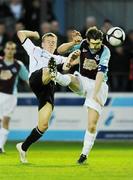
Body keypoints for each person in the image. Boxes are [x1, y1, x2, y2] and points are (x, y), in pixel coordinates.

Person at [50, 26, 111, 164]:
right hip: (82, 79)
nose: (95, 46)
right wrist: (72, 43)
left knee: (92, 125)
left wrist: (94, 93)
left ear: (101, 41)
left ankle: (84, 155)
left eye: (98, 43)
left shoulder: (105, 51)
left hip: (99, 85)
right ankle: (56, 75)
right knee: (71, 78)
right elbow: (59, 50)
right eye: (92, 43)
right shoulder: (82, 43)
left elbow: (101, 73)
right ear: (87, 40)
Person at [16, 30, 77, 163]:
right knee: (48, 69)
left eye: (53, 43)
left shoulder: (59, 58)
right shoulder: (35, 50)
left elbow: (72, 62)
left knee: (43, 125)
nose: (51, 44)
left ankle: (23, 147)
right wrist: (33, 33)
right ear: (42, 44)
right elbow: (20, 33)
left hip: (48, 89)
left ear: (56, 46)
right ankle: (54, 73)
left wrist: (80, 49)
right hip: (36, 79)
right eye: (48, 42)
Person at [0, 41, 29, 153]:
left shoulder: (19, 65)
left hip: (10, 97)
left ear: (15, 51)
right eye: (8, 48)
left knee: (5, 121)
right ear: (4, 49)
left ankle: (1, 147)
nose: (10, 51)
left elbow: (27, 78)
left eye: (12, 49)